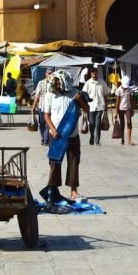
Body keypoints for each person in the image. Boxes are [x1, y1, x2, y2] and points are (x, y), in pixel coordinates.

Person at [43, 70, 90, 201]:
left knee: (74, 162)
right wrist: (52, 129)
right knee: (54, 162)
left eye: (59, 82)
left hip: (72, 135)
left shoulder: (75, 93)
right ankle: (52, 190)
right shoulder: (49, 95)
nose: (57, 85)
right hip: (56, 135)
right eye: (56, 82)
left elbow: (87, 110)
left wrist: (80, 101)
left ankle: (74, 192)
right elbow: (46, 115)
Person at [83, 68, 110, 145]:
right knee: (92, 124)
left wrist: (106, 105)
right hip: (90, 106)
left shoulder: (102, 82)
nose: (94, 75)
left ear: (97, 73)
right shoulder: (88, 83)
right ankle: (92, 137)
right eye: (92, 74)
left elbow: (105, 94)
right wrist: (84, 106)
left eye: (95, 74)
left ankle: (97, 141)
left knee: (98, 124)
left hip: (100, 106)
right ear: (91, 74)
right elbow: (84, 95)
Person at [31, 68, 54, 145]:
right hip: (42, 106)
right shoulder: (41, 83)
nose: (50, 75)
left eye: (51, 73)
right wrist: (34, 106)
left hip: (51, 107)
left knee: (48, 123)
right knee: (42, 123)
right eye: (49, 73)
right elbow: (37, 95)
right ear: (46, 74)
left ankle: (46, 139)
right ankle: (43, 138)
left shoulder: (54, 83)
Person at [114, 76, 134, 145]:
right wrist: (116, 112)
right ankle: (122, 140)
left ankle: (129, 140)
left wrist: (132, 109)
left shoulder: (130, 90)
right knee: (122, 124)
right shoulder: (118, 90)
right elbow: (117, 102)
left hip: (128, 108)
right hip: (121, 109)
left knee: (129, 122)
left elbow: (131, 100)